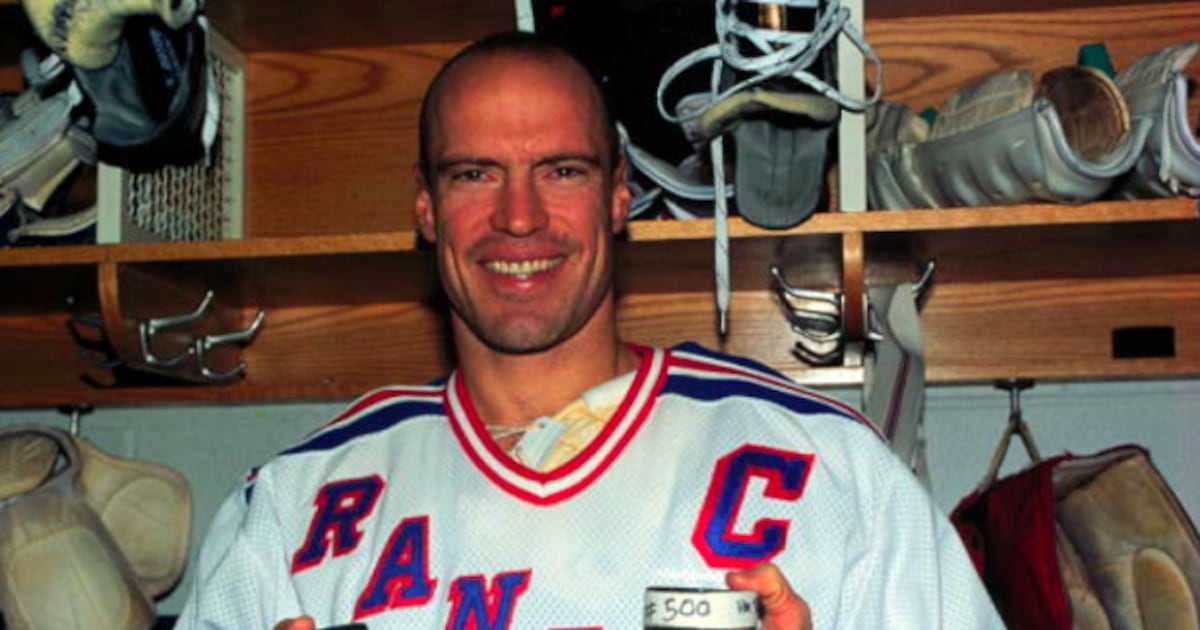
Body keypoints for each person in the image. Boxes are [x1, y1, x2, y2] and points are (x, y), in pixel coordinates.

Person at [176, 31, 1002, 629]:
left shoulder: (829, 465)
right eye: (475, 174)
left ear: (618, 196)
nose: (519, 217)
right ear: (426, 208)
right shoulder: (293, 502)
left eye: (562, 171)